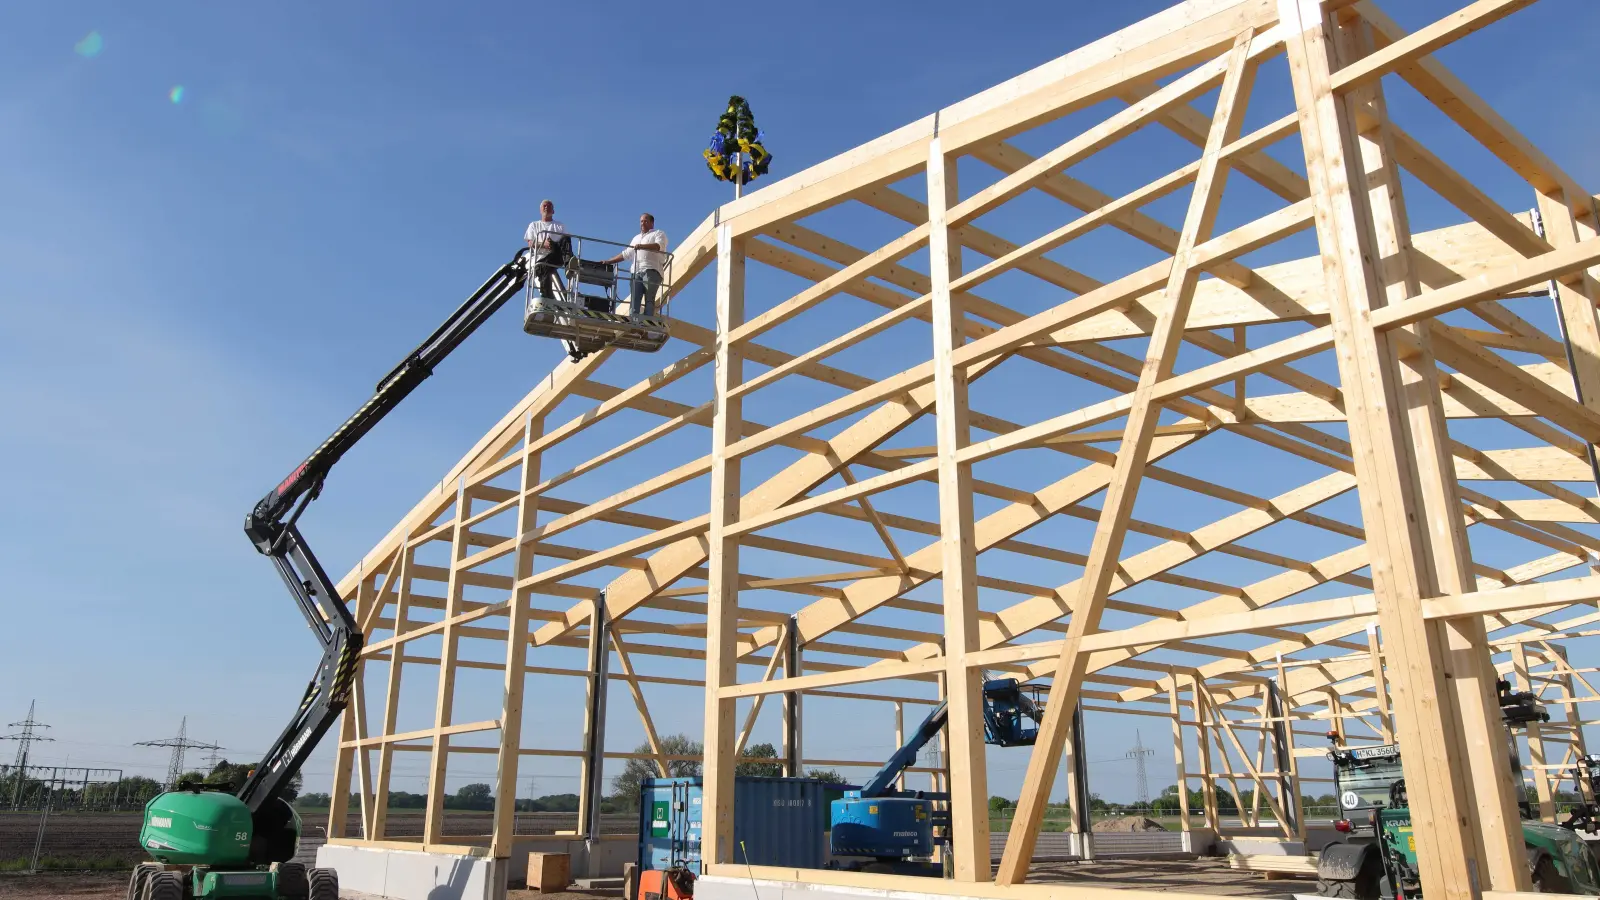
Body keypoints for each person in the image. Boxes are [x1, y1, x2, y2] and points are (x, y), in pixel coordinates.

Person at [605, 213, 668, 316]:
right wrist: (609, 261)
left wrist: (642, 246)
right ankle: (633, 319)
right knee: (635, 298)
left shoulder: (658, 233)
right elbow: (626, 254)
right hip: (636, 271)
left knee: (649, 298)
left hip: (652, 270)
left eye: (645, 221)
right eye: (641, 221)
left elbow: (658, 246)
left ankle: (647, 319)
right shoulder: (636, 238)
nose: (643, 223)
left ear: (652, 223)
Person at [524, 199, 567, 299]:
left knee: (565, 241)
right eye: (544, 206)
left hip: (556, 255)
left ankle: (569, 263)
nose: (547, 207)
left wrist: (554, 245)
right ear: (540, 210)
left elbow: (566, 241)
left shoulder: (560, 226)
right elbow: (530, 243)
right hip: (540, 256)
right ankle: (547, 295)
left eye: (549, 206)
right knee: (544, 267)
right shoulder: (534, 225)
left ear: (553, 211)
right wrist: (544, 244)